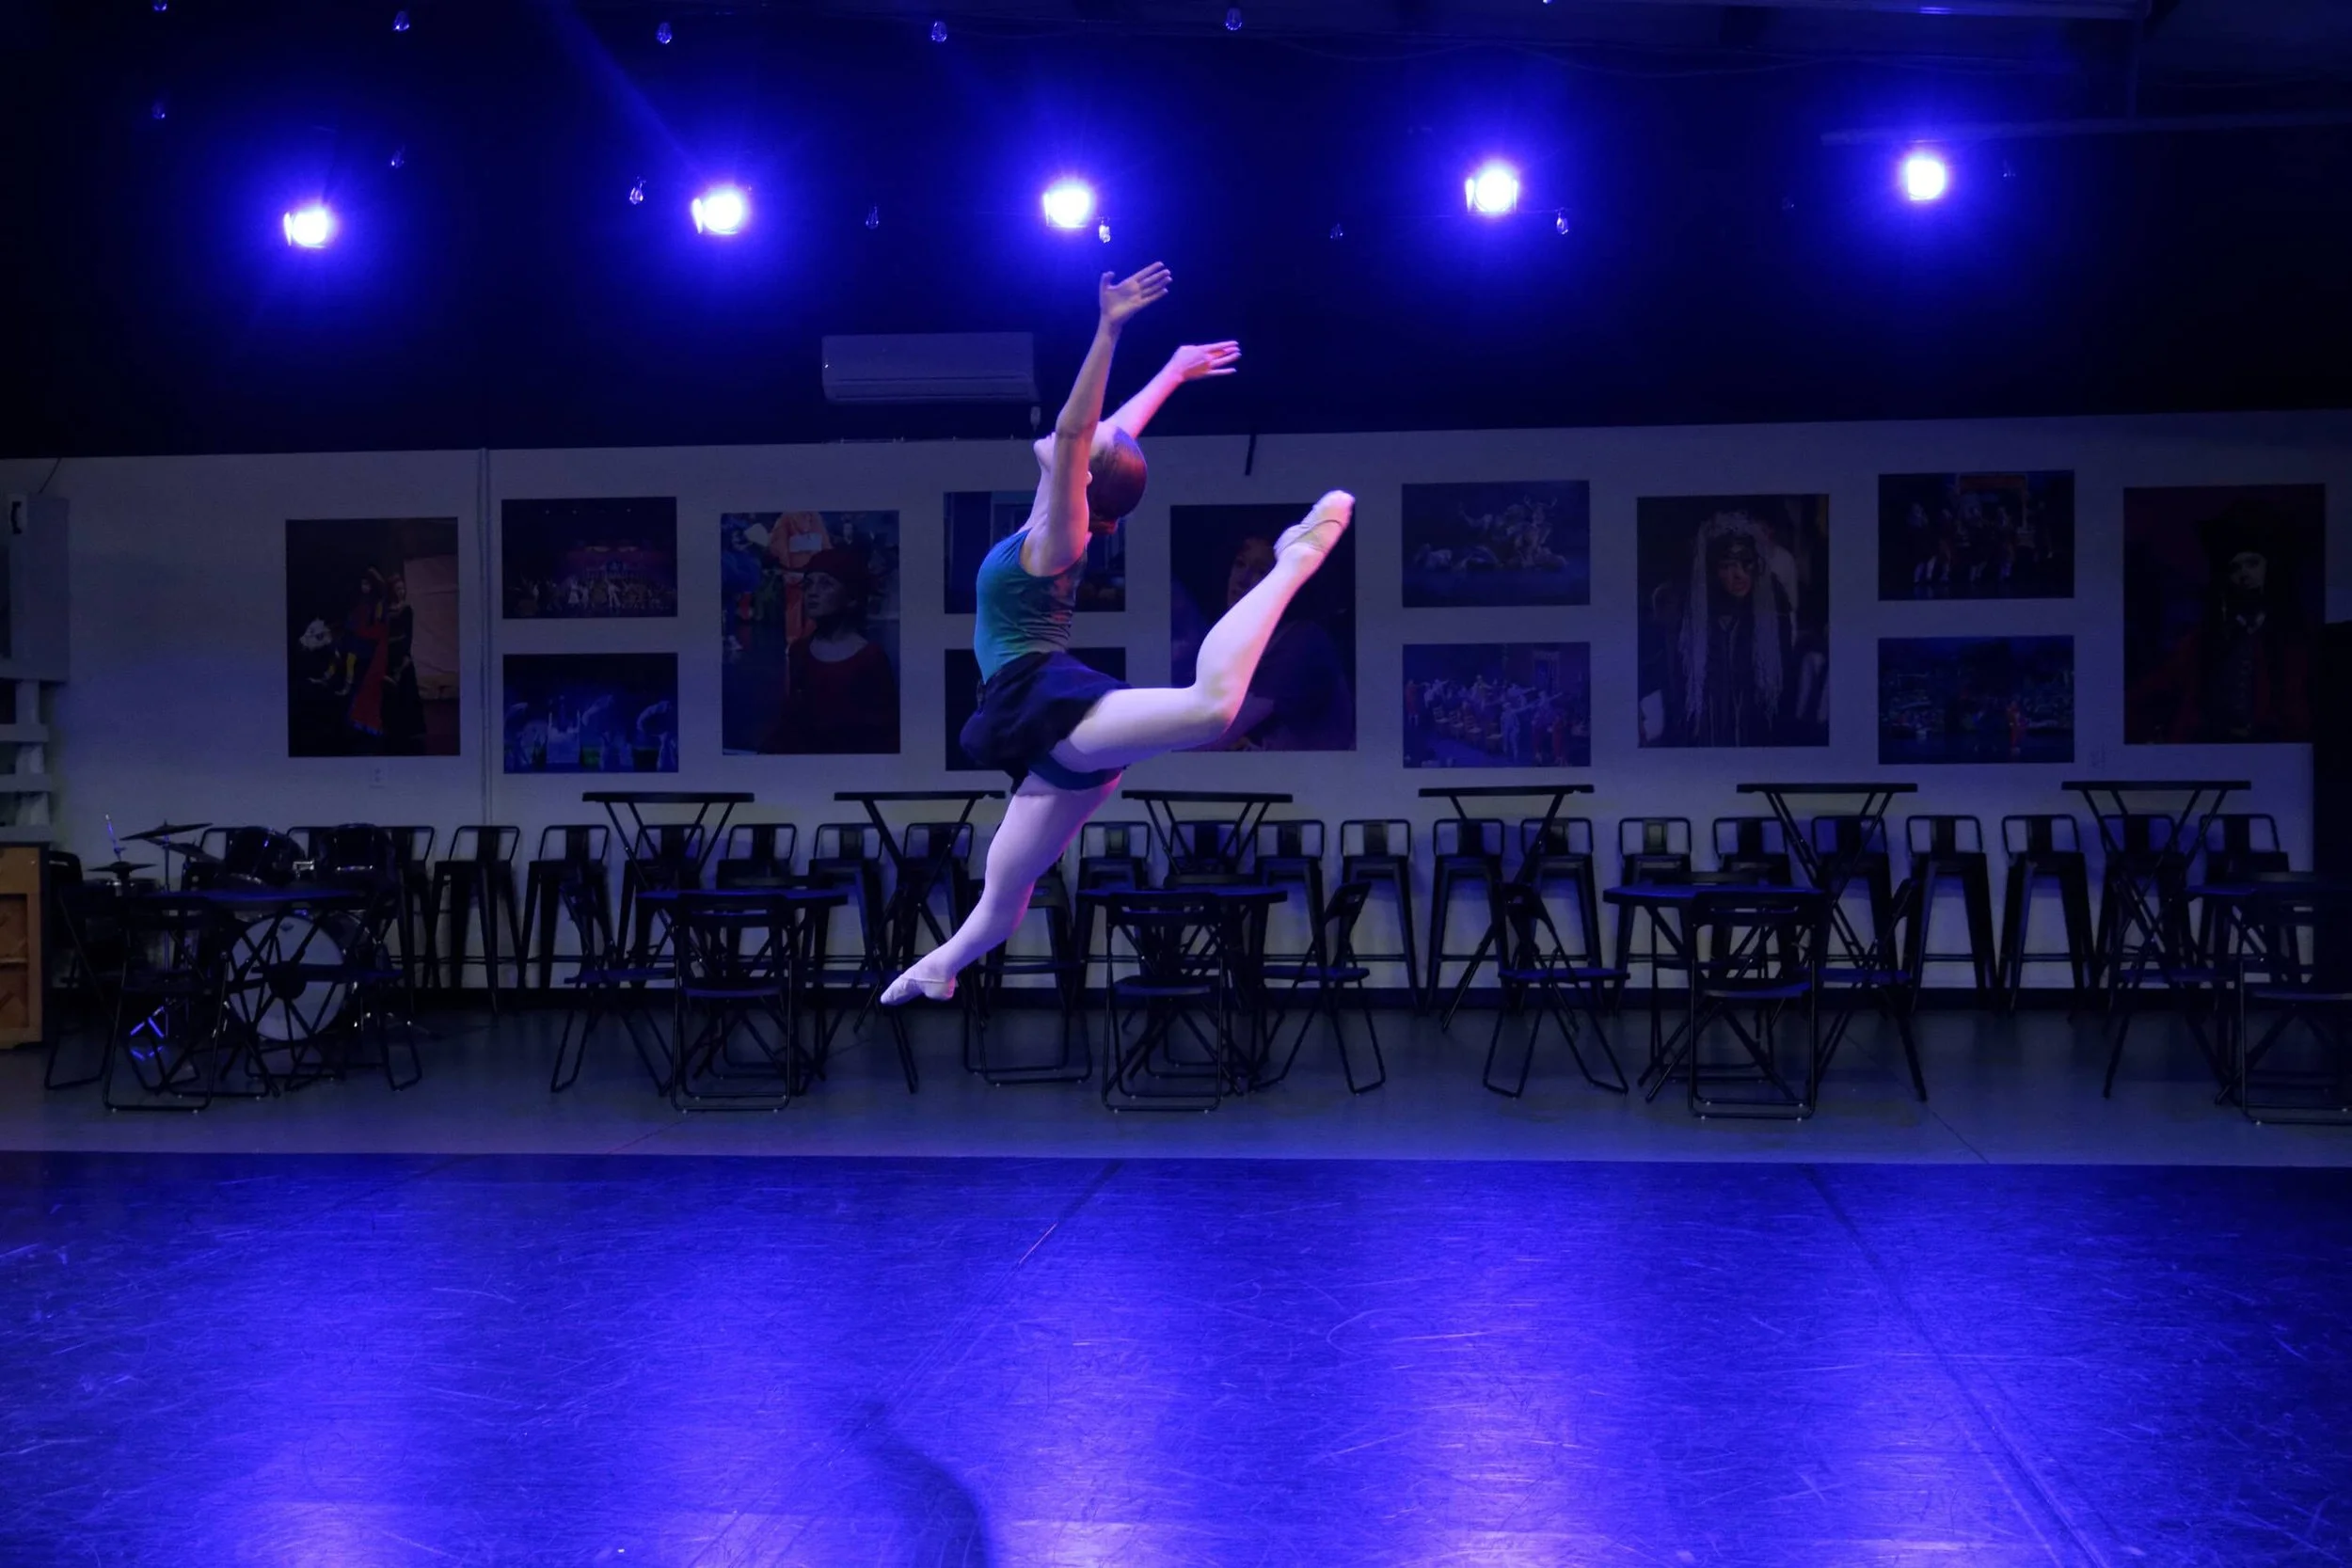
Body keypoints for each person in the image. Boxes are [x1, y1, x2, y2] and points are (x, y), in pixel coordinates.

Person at [882, 262, 1350, 1005]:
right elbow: (1108, 435)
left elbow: (1081, 432)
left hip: (1052, 708)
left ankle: (1295, 560)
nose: (1090, 432)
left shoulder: (1060, 538)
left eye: (1088, 448)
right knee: (1000, 901)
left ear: (1082, 481)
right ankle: (942, 965)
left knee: (1212, 710)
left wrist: (1108, 329)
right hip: (1056, 745)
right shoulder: (1054, 508)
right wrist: (1168, 373)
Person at [762, 546, 899, 753]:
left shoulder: (870, 658)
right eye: (808, 585)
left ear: (851, 598)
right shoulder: (798, 651)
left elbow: (883, 733)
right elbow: (789, 719)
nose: (813, 592)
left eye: (826, 584)